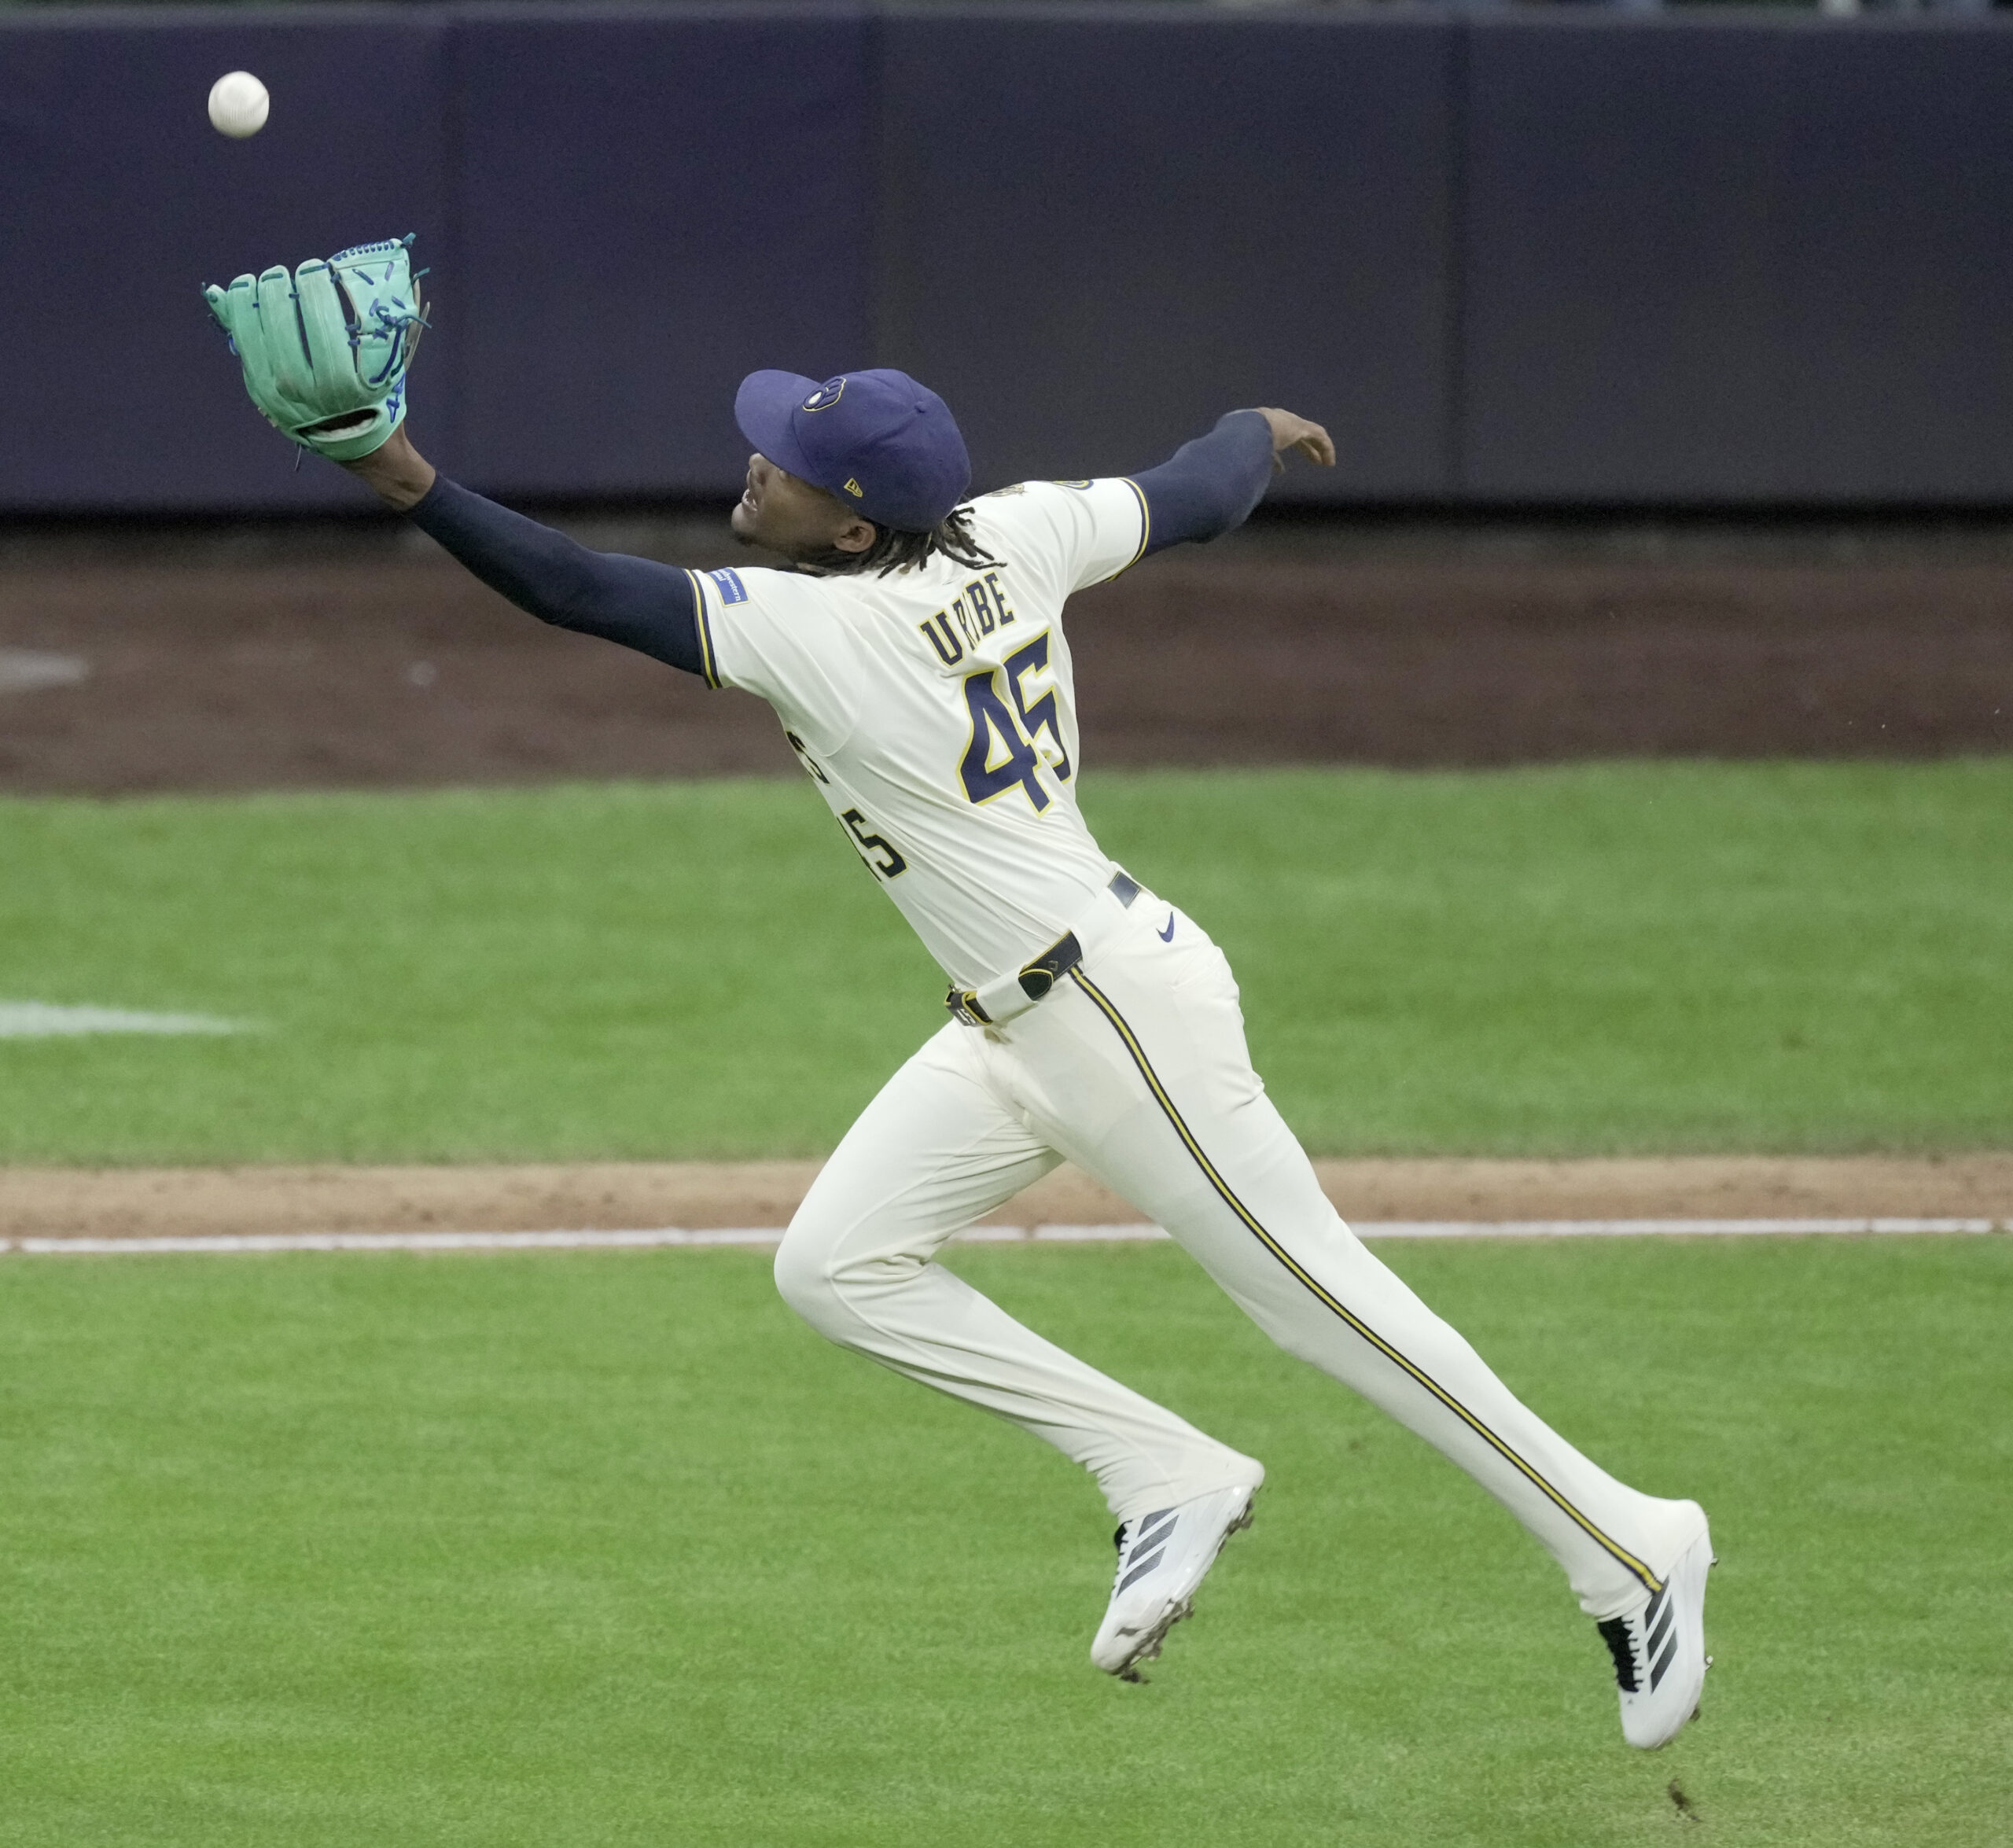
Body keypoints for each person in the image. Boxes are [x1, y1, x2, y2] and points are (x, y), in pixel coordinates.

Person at [317, 359, 1711, 1748]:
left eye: (786, 464)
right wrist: (1256, 429)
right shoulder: (1018, 529)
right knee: (837, 1266)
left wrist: (407, 477)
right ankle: (1162, 1469)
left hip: (1114, 1017)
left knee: (1319, 1300)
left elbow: (574, 588)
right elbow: (1194, 495)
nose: (754, 465)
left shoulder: (816, 631)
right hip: (1014, 1020)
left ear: (855, 529)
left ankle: (1633, 1548)